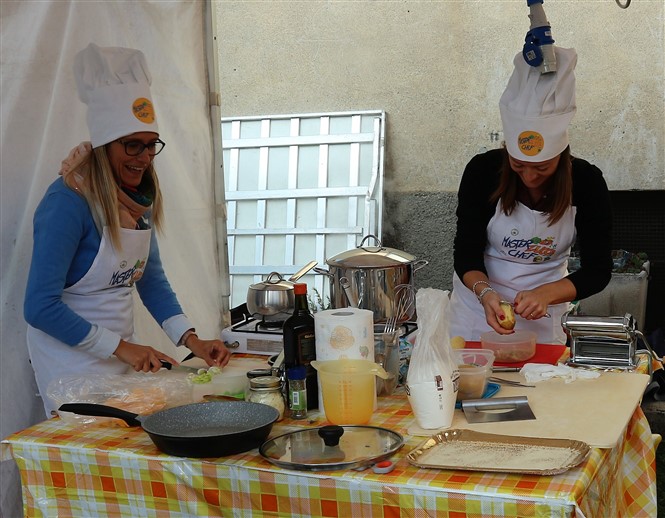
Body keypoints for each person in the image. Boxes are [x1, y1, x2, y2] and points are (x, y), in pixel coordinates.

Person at [24, 43, 231, 416]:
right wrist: (122, 347)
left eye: (151, 146)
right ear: (105, 146)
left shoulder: (137, 200)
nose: (145, 158)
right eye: (133, 146)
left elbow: (151, 281)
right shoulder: (67, 203)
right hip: (69, 366)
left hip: (121, 358)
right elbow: (40, 307)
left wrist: (192, 340)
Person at [448, 46, 613, 344]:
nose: (529, 177)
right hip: (477, 308)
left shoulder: (587, 182)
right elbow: (466, 253)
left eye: (542, 167)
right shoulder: (483, 172)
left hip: (545, 312)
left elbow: (598, 270)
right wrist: (486, 294)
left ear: (561, 157)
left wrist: (546, 294)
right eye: (518, 165)